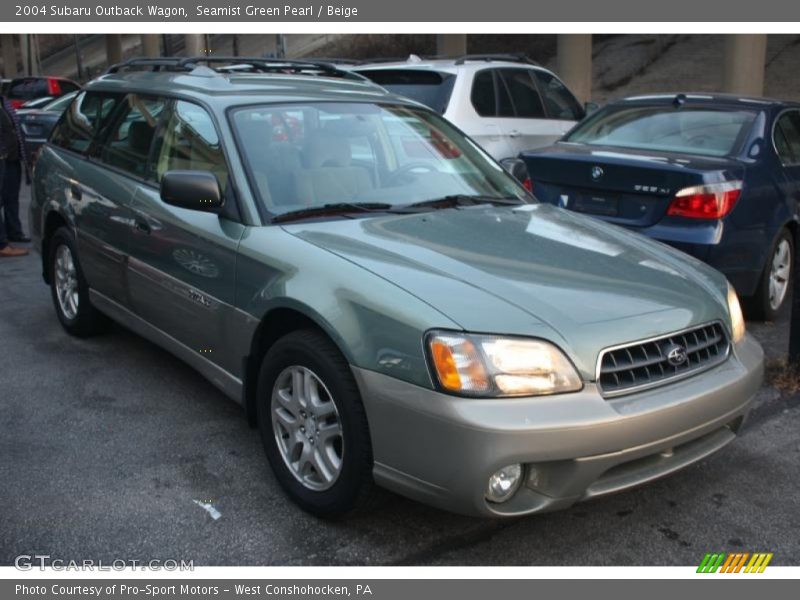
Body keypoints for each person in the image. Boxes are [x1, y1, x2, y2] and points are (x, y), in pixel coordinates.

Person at [0, 94, 30, 258]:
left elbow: (14, 128)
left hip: (11, 158)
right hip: (2, 157)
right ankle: (2, 244)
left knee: (11, 197)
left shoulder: (4, 102)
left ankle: (14, 232)